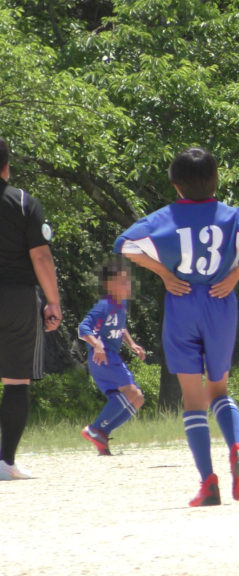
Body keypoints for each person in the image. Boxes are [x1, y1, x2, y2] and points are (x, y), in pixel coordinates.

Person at [115, 147, 239, 506]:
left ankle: (209, 484)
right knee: (219, 389)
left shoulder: (164, 217)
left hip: (182, 301)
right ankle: (236, 447)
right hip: (221, 300)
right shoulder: (232, 215)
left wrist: (164, 273)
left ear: (175, 185)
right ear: (216, 180)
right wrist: (235, 275)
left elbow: (123, 245)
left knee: (192, 399)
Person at [0, 137, 62, 480]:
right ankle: (5, 462)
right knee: (15, 381)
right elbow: (40, 256)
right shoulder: (24, 202)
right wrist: (53, 302)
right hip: (18, 300)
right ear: (7, 167)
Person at [78, 259, 146, 456]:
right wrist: (96, 344)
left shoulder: (120, 305)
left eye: (128, 281)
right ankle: (94, 429)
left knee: (138, 398)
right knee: (131, 392)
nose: (127, 285)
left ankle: (102, 433)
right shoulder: (104, 305)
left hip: (111, 358)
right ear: (109, 285)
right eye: (122, 281)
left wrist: (132, 344)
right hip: (103, 358)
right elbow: (83, 328)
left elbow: (120, 327)